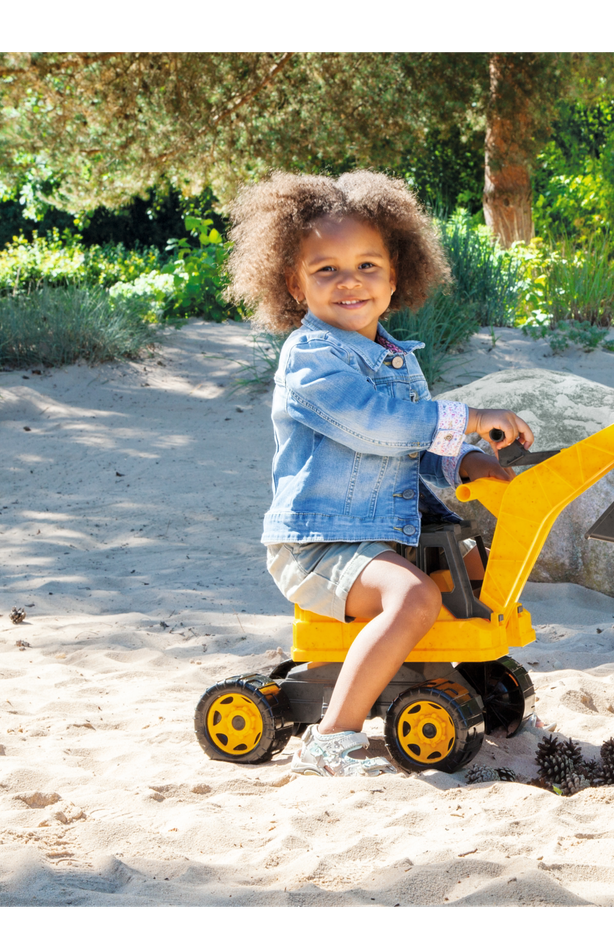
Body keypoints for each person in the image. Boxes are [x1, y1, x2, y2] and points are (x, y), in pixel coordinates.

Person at [225, 171, 533, 777]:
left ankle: (458, 680)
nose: (350, 282)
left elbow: (415, 442)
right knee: (416, 596)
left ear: (397, 277)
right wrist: (468, 418)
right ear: (293, 283)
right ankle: (332, 736)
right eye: (326, 270)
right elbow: (379, 426)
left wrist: (467, 460)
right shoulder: (311, 360)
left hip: (387, 533)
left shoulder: (395, 359)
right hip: (322, 544)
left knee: (477, 574)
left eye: (368, 266)